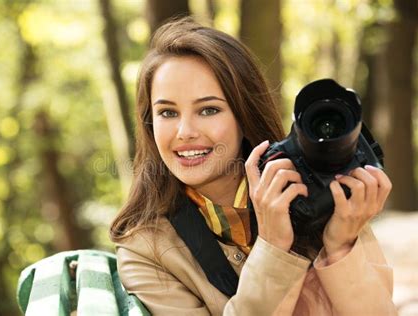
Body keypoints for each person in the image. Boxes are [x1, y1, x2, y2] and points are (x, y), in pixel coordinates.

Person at [110, 17, 396, 315]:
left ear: (243, 115)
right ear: (149, 123)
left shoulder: (317, 183)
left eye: (209, 109)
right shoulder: (146, 250)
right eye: (168, 113)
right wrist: (273, 246)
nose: (184, 132)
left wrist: (340, 247)